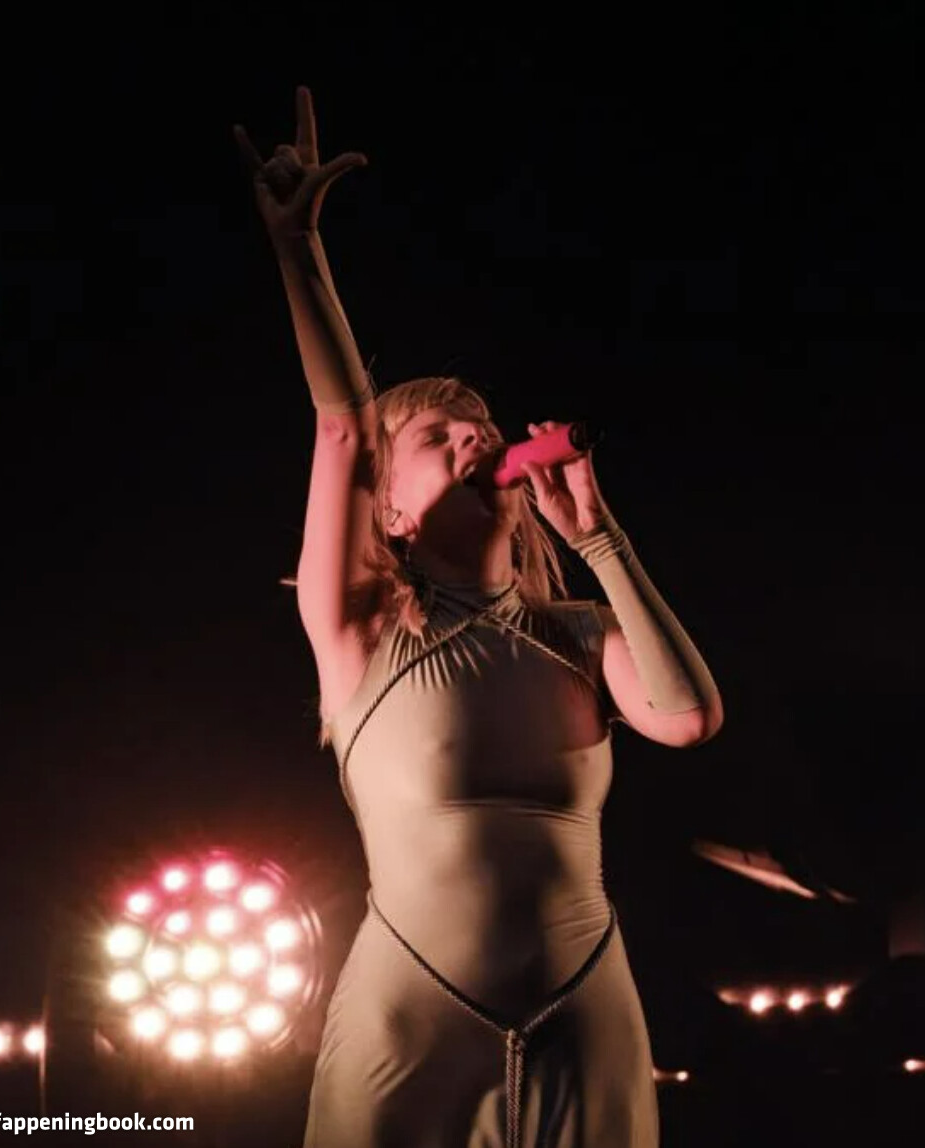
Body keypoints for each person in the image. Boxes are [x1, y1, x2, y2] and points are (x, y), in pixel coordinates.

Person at [236, 87, 723, 1148]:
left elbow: (687, 719)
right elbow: (340, 424)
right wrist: (299, 249)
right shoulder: (359, 630)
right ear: (390, 509)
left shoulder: (577, 634)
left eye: (483, 427)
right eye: (438, 435)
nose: (476, 439)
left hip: (585, 1013)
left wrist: (602, 542)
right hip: (411, 1016)